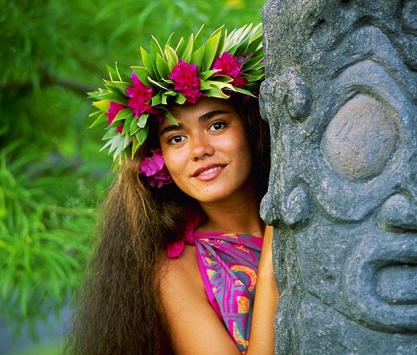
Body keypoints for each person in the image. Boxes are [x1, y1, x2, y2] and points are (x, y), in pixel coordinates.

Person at [65, 24, 278, 354]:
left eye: (216, 124)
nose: (199, 148)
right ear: (161, 159)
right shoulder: (174, 271)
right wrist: (274, 253)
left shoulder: (314, 214)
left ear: (250, 129)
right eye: (176, 138)